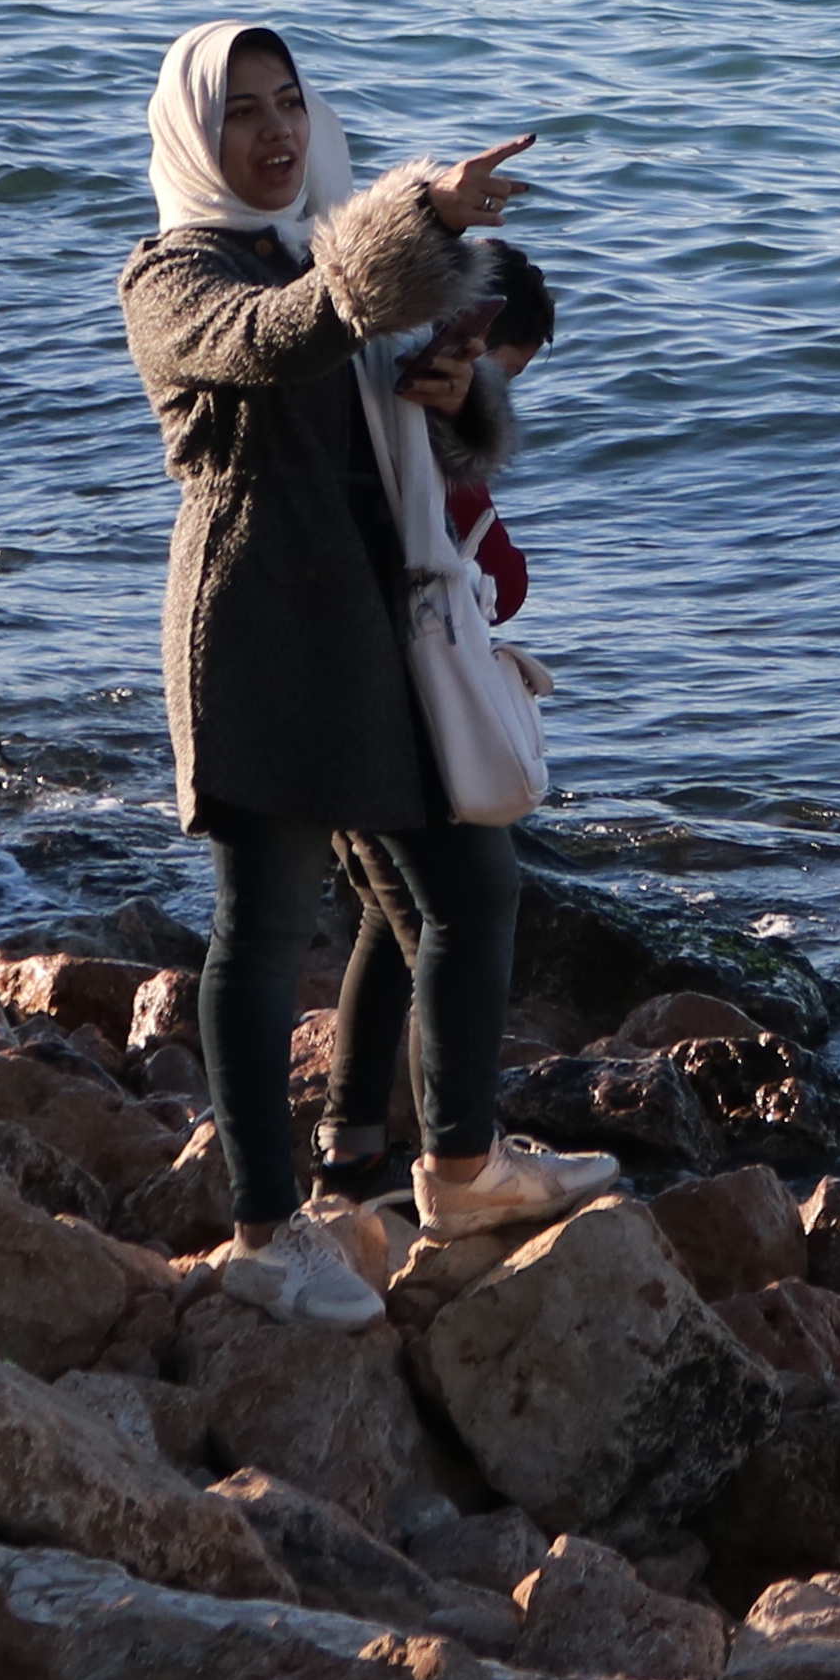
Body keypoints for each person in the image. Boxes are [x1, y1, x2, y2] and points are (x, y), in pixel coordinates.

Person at [121, 24, 618, 1325]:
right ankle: (266, 1227)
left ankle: (456, 1167)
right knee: (266, 922)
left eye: (292, 103)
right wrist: (415, 216)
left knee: (473, 882)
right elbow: (272, 339)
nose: (278, 132)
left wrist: (455, 397)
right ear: (194, 134)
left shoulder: (316, 252)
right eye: (243, 112)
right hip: (263, 622)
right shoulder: (173, 274)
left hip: (376, 618)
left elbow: (414, 440)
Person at [318, 241, 555, 1210]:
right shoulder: (425, 416)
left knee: (384, 908)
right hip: (396, 694)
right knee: (471, 902)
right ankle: (462, 1162)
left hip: (323, 681)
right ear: (479, 333)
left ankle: (353, 1146)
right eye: (506, 373)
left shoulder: (357, 378)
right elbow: (490, 570)